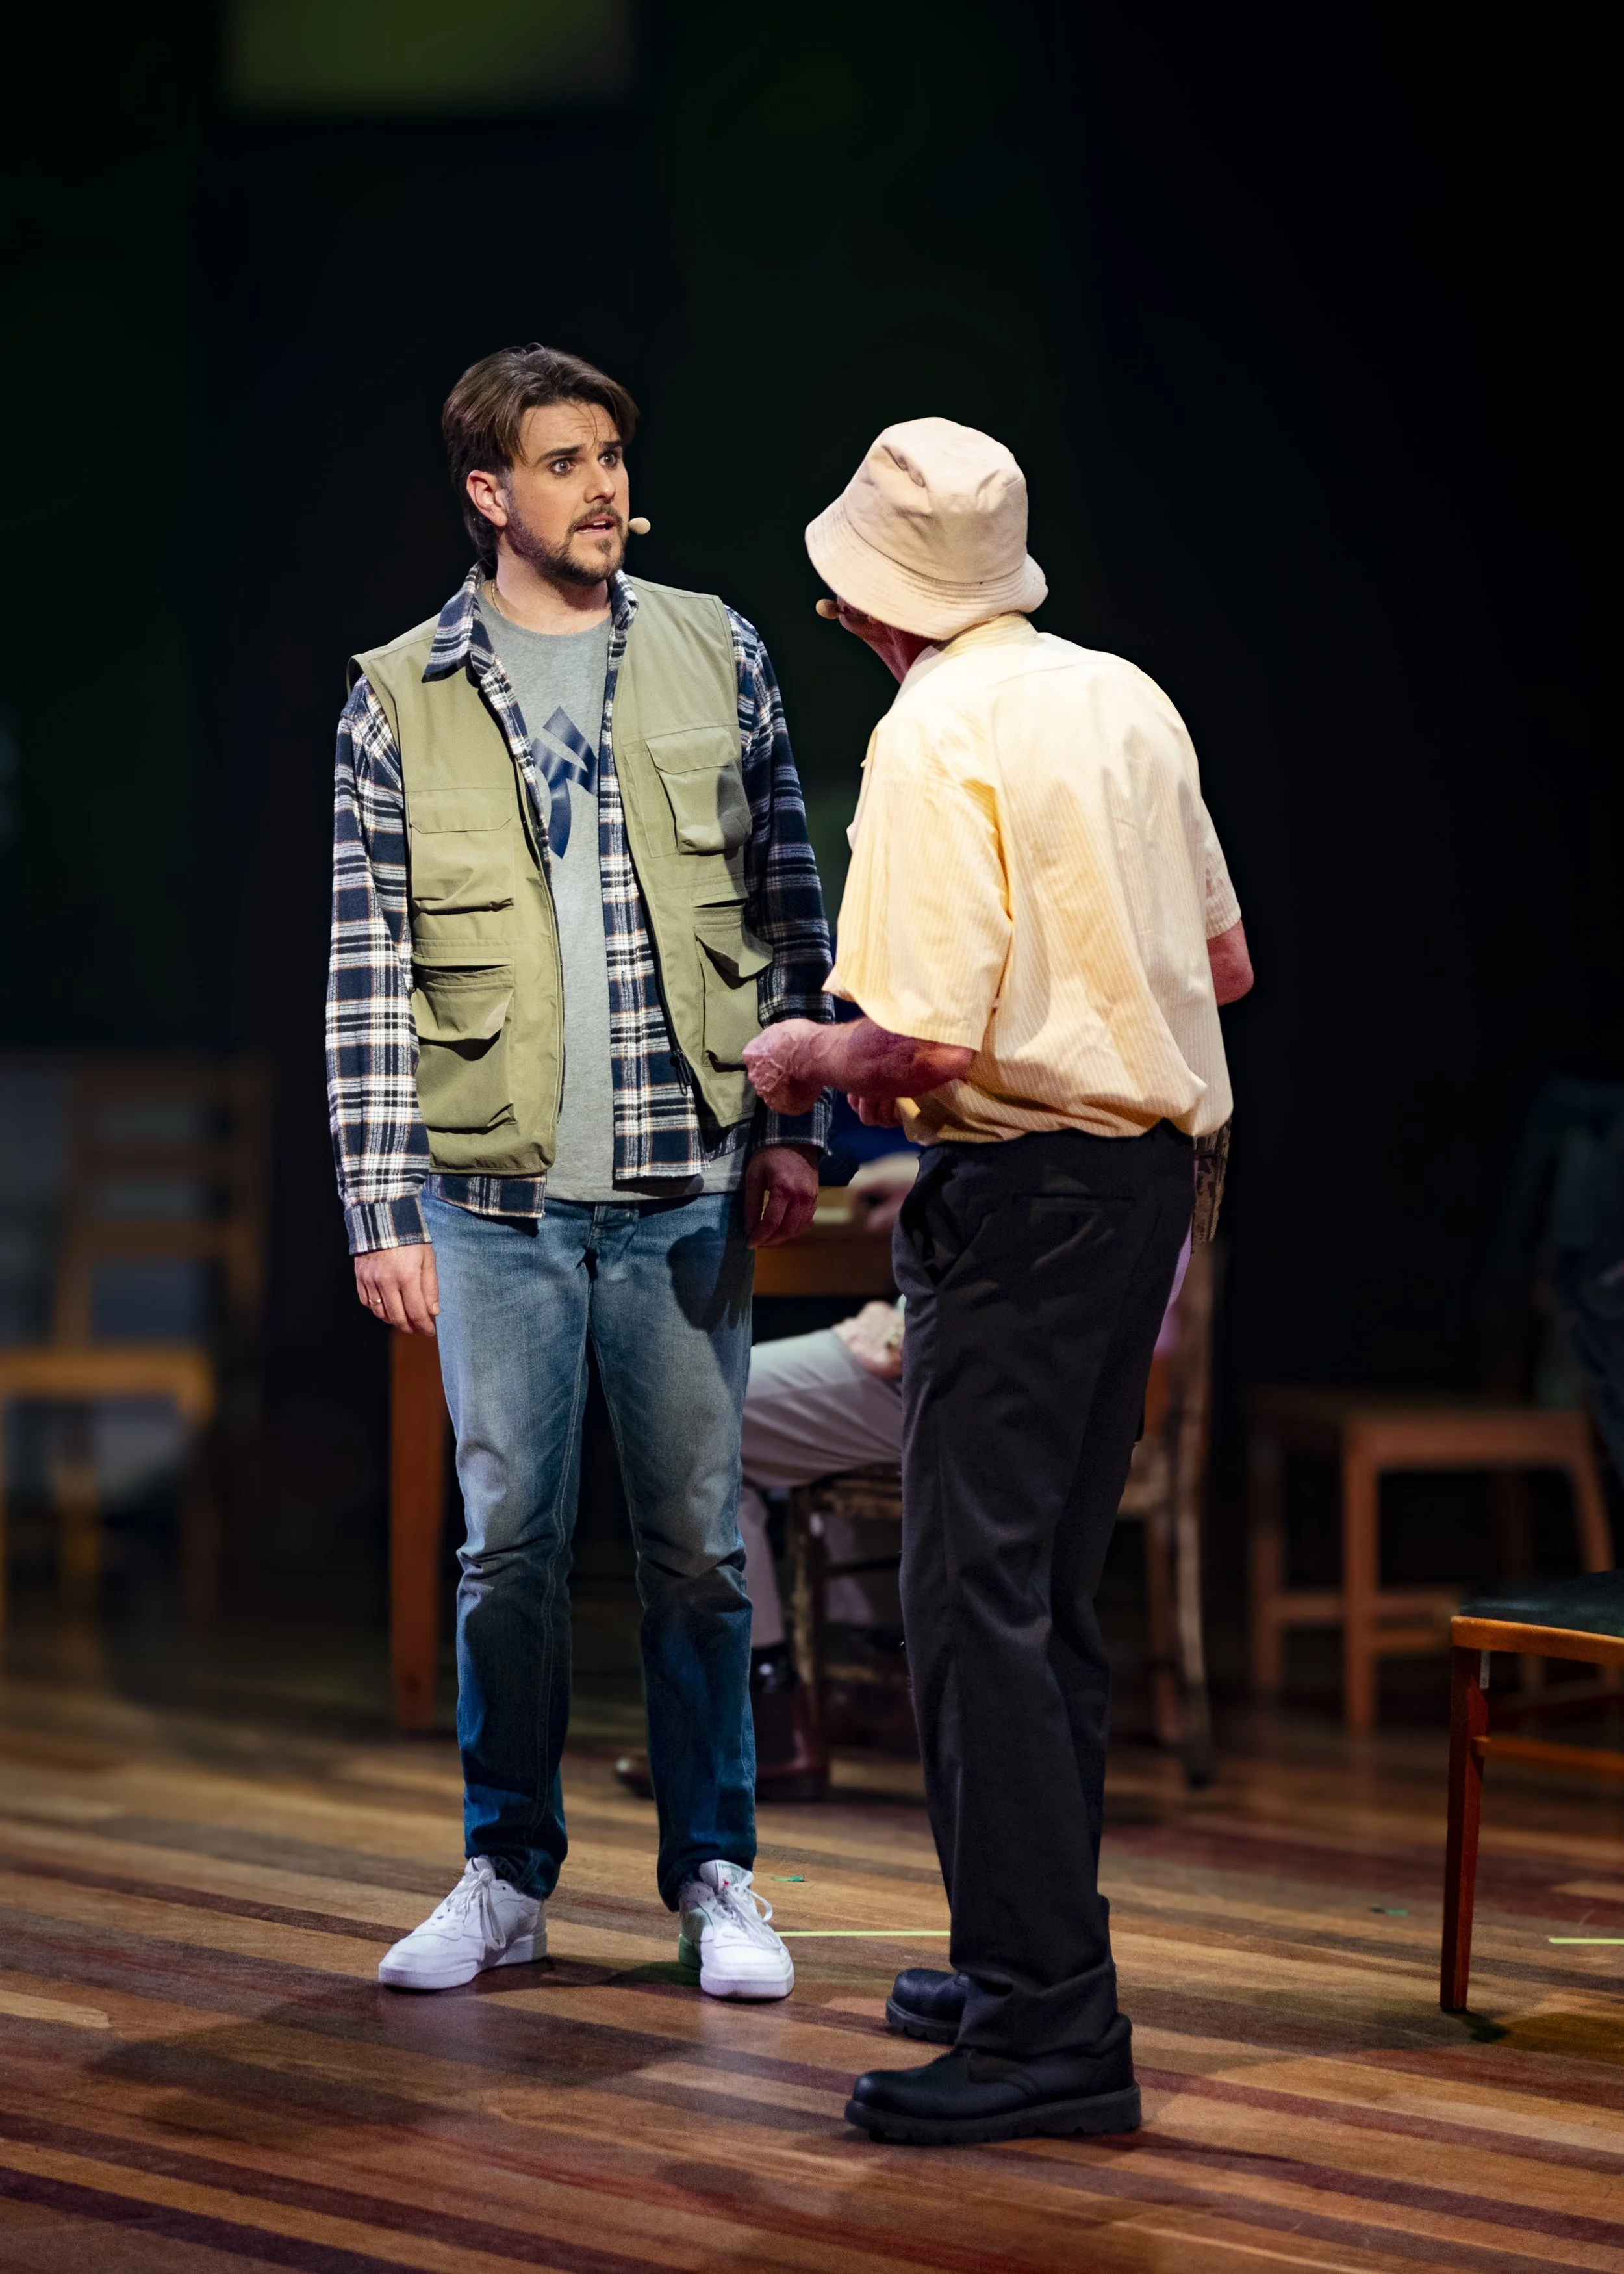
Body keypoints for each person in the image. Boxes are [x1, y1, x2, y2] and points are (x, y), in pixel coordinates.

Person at [744, 416, 1253, 2143]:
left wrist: (808, 1052)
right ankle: (1019, 1954)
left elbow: (925, 1041)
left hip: (1030, 1198)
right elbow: (1225, 963)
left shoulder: (930, 730)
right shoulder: (1125, 695)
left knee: (978, 1607)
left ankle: (1048, 2027)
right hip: (1140, 1196)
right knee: (1034, 1598)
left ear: (863, 600)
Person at [326, 344, 833, 2004]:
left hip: (686, 1172)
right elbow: (367, 967)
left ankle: (714, 1873)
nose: (601, 485)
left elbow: (784, 905)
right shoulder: (400, 694)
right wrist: (378, 1206)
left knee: (693, 1549)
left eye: (610, 454)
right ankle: (504, 1869)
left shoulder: (715, 647)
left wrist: (793, 1129)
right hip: (492, 1202)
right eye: (562, 461)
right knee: (507, 1553)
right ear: (489, 491)